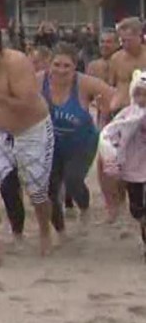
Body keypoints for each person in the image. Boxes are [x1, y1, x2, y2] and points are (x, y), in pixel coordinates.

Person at [0, 25, 54, 266]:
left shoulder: (17, 63)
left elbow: (27, 104)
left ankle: (45, 231)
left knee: (36, 193)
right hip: (1, 133)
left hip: (32, 131)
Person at [38, 43, 114, 233]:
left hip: (82, 143)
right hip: (52, 143)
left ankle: (85, 209)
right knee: (50, 189)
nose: (61, 71)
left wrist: (105, 117)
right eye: (57, 65)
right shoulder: (39, 82)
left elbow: (116, 96)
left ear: (75, 67)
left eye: (67, 66)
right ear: (49, 65)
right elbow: (16, 97)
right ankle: (61, 232)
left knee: (73, 180)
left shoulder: (84, 83)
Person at [98, 69, 146, 258]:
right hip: (134, 168)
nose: (142, 98)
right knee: (136, 209)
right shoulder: (127, 115)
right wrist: (112, 158)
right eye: (138, 93)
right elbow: (110, 136)